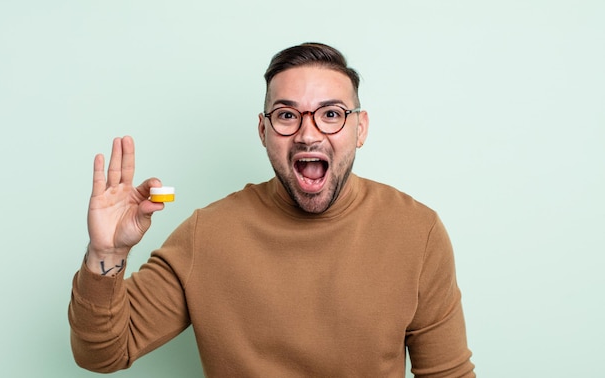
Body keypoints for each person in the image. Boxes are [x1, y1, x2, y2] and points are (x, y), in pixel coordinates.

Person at [69, 42, 475, 377]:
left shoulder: (416, 232)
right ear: (263, 131)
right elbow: (102, 353)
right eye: (286, 116)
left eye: (331, 114)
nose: (308, 133)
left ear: (360, 128)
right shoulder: (207, 235)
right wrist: (107, 254)